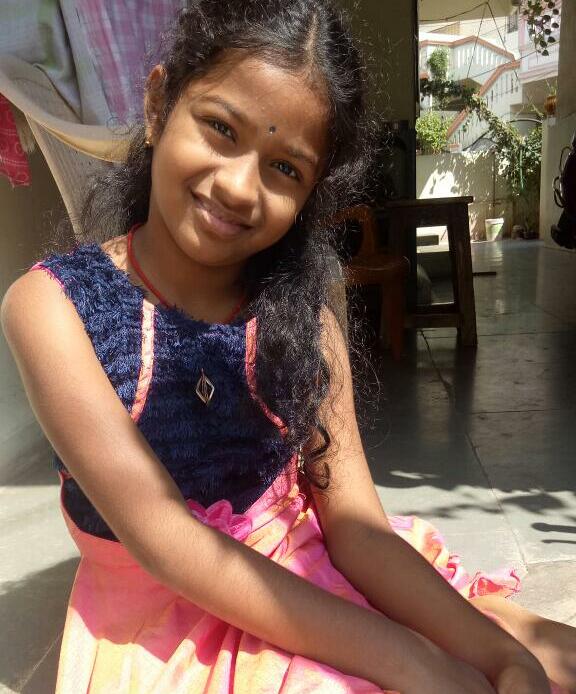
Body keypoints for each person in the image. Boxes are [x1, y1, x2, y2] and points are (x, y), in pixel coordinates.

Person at [1, 2, 575, 692]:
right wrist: (415, 660)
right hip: (170, 625)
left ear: (311, 194)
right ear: (158, 106)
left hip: (310, 574)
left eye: (285, 168)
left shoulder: (302, 316)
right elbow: (166, 542)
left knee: (544, 662)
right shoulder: (55, 308)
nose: (238, 187)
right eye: (220, 128)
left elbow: (356, 530)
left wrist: (503, 657)